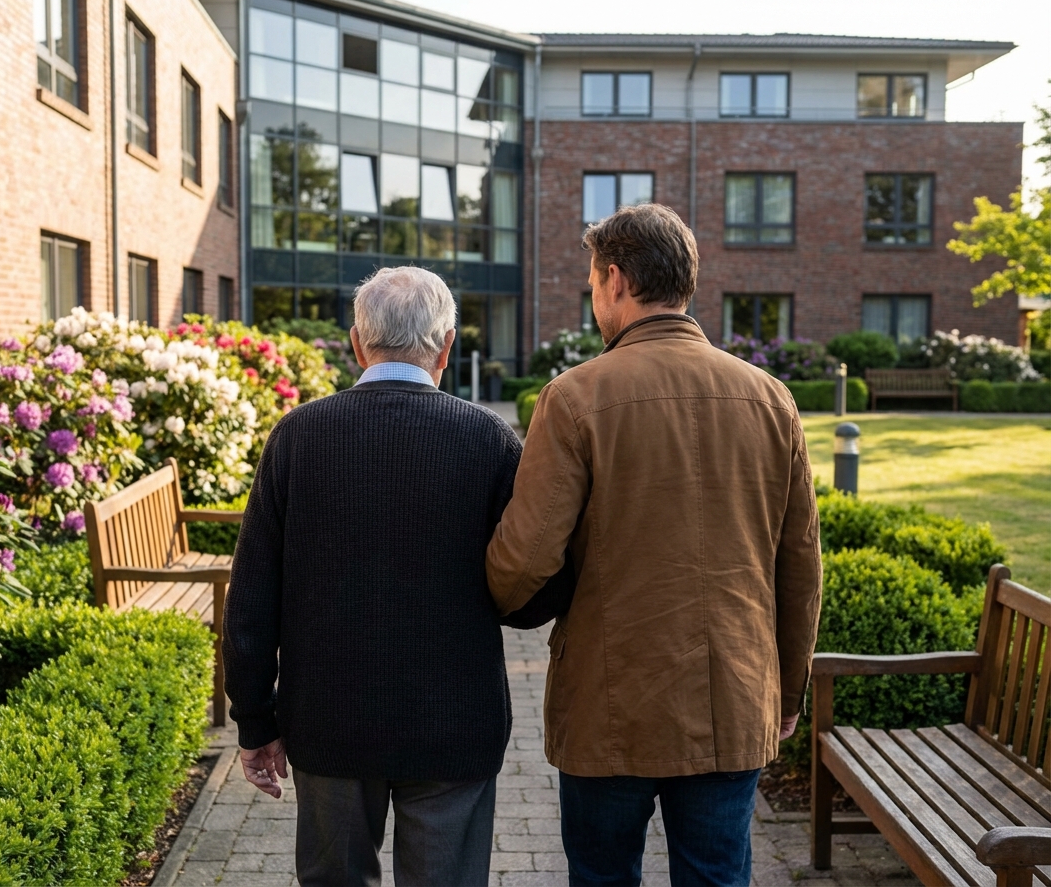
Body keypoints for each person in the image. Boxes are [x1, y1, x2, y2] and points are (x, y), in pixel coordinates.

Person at [486, 204, 823, 887]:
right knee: (718, 875)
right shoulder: (771, 398)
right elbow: (800, 566)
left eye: (591, 280)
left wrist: (492, 599)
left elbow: (523, 560)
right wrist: (788, 690)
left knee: (604, 875)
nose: (592, 297)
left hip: (610, 705)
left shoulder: (576, 397)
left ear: (616, 279)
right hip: (733, 694)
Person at [221, 266, 568, 886]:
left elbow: (251, 600)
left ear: (357, 343)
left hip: (328, 721)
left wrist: (255, 721)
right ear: (447, 345)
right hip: (455, 724)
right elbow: (535, 586)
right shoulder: (489, 439)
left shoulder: (297, 437)